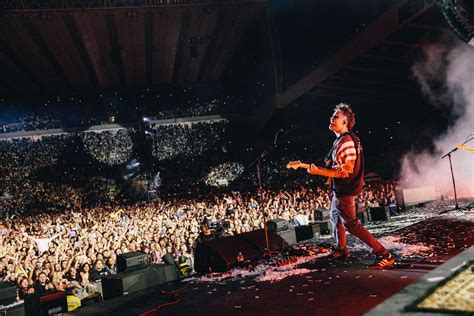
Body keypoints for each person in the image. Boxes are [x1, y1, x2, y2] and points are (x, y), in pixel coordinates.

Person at [287, 103, 394, 269]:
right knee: (335, 218)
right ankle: (342, 249)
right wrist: (303, 165)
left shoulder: (346, 142)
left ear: (345, 122)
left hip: (346, 189)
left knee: (351, 224)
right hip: (341, 189)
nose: (332, 118)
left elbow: (344, 172)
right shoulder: (342, 140)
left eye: (336, 116)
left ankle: (383, 254)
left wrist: (316, 171)